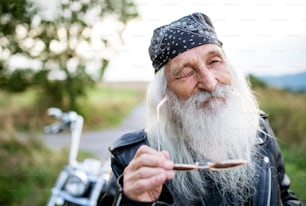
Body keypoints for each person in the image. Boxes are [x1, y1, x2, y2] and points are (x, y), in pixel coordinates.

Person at [100, 12, 304, 206]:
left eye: (214, 61)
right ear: (165, 93)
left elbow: (283, 195)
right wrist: (131, 201)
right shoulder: (132, 158)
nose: (210, 83)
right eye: (186, 73)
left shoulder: (258, 128)